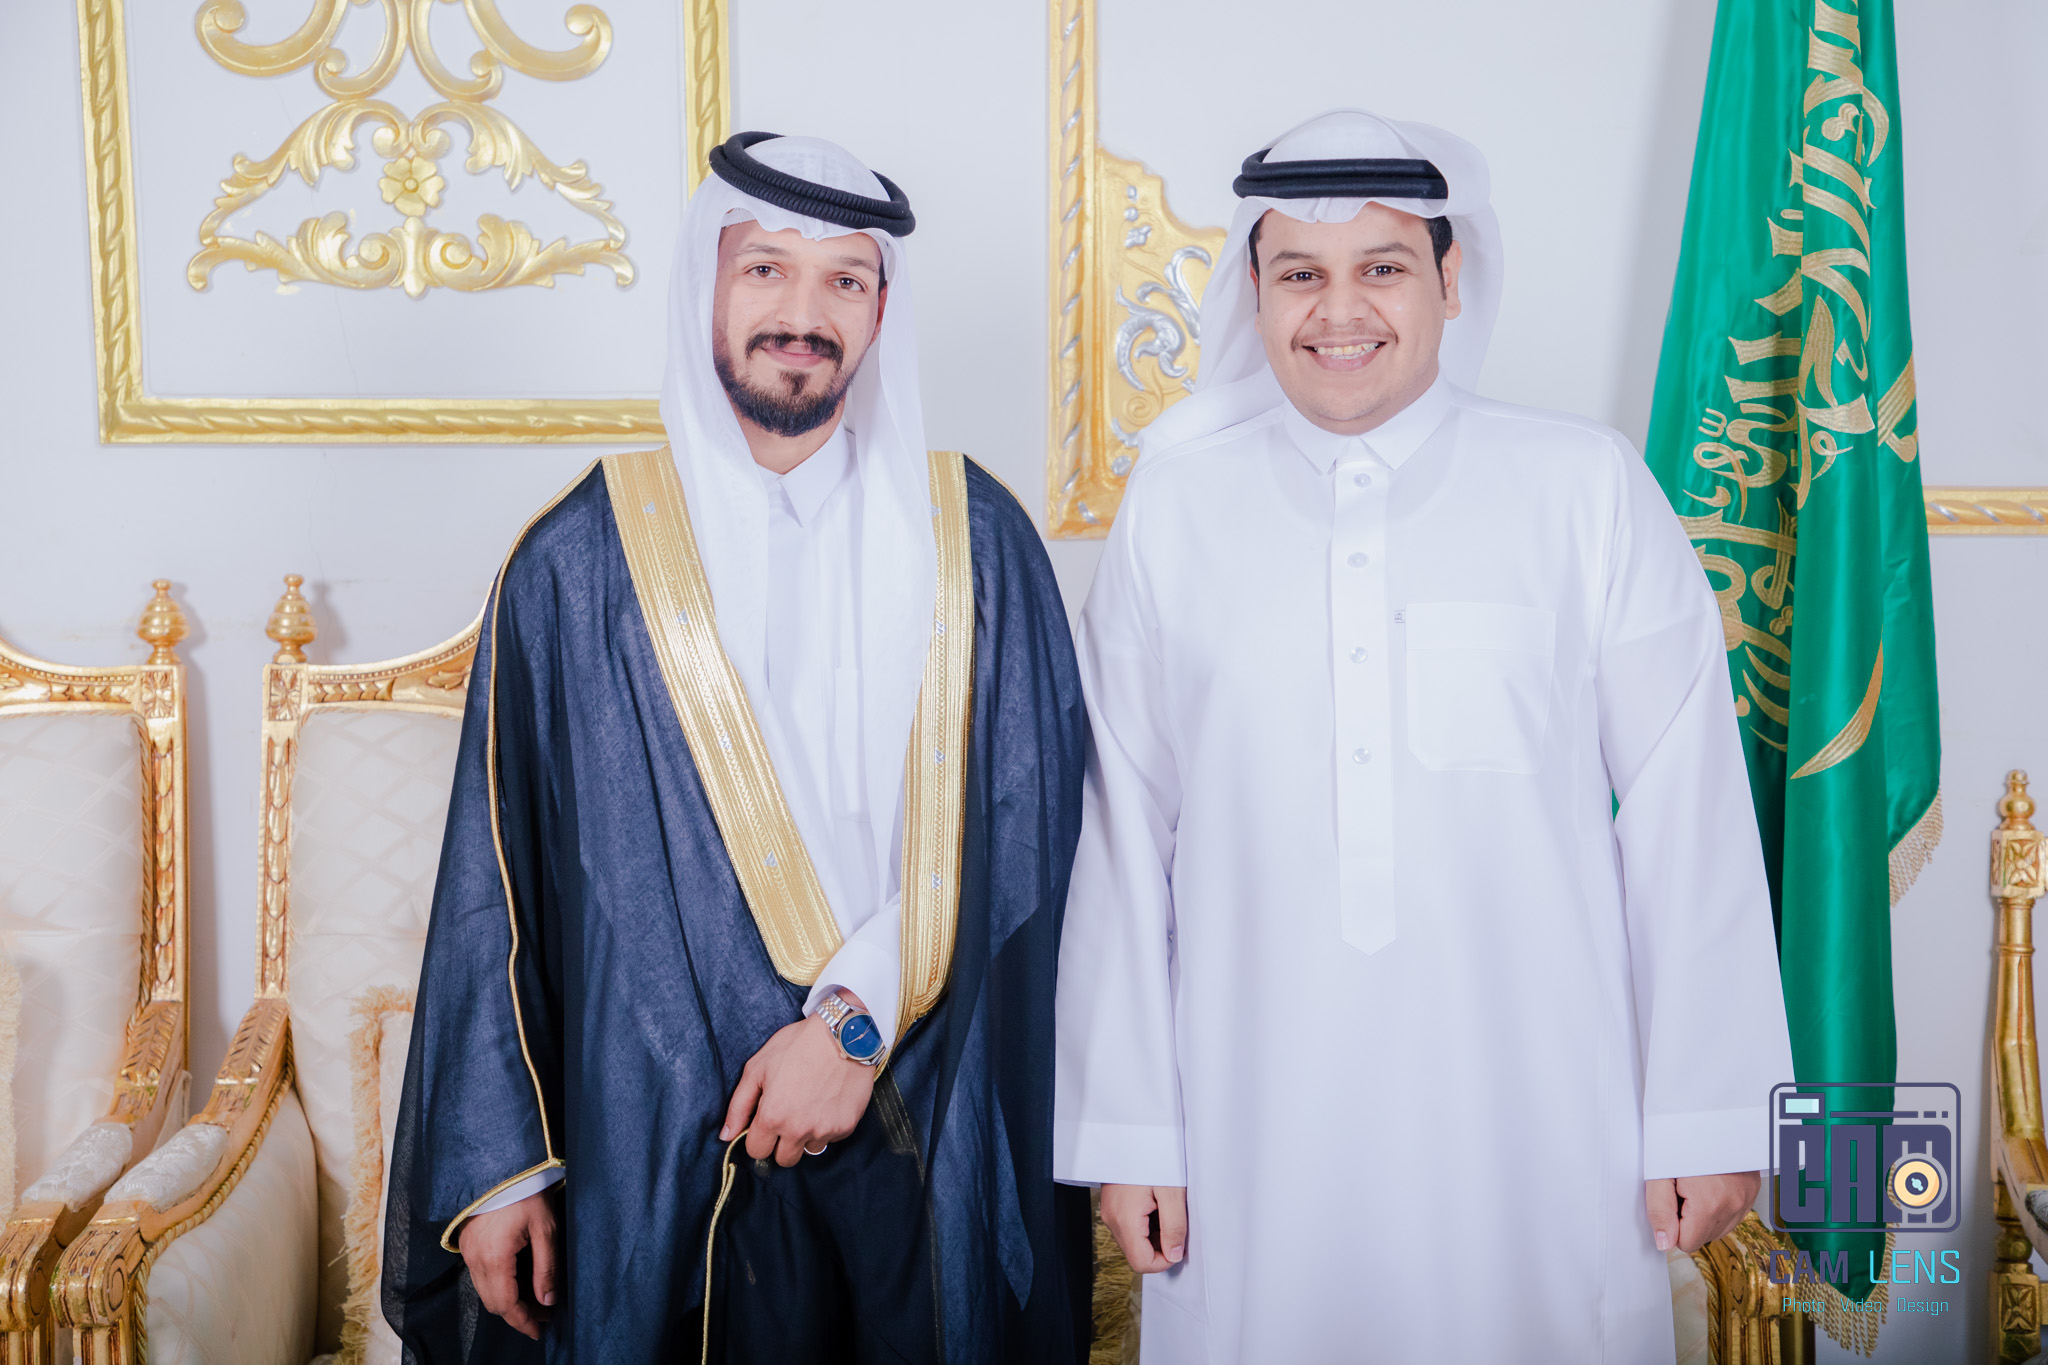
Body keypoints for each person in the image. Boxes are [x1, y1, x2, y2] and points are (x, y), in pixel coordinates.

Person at [1053, 110, 1795, 1363]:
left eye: (1381, 267)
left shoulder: (1582, 488)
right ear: (1253, 291)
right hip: (1249, 1126)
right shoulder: (1174, 509)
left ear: (1452, 280)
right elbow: (1119, 833)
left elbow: (1688, 809)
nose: (1337, 310)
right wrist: (1129, 1132)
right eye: (1299, 272)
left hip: (1541, 1122)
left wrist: (1706, 1108)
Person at [383, 131, 1094, 1364]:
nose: (802, 315)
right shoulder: (578, 561)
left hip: (920, 1104)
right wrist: (501, 1166)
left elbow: (1031, 832)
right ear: (704, 287)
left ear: (881, 314)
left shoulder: (976, 539)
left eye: (844, 281)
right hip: (653, 1141)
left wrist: (851, 1026)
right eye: (765, 269)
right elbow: (494, 879)